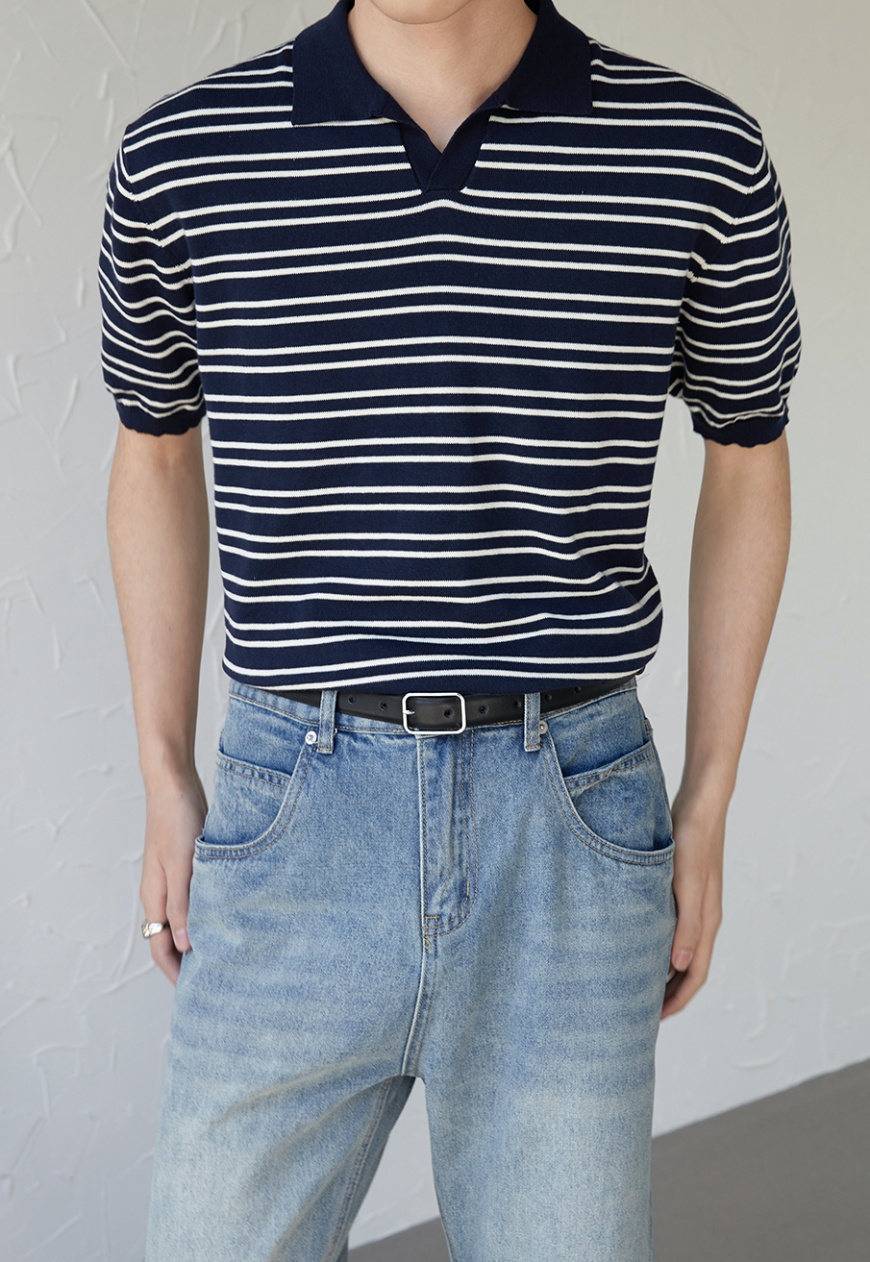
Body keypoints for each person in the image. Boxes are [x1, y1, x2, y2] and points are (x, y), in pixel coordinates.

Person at [100, 0, 800, 1257]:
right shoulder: (183, 156)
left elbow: (749, 451)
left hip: (570, 820)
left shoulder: (695, 151)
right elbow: (153, 445)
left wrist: (708, 799)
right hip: (291, 811)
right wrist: (161, 768)